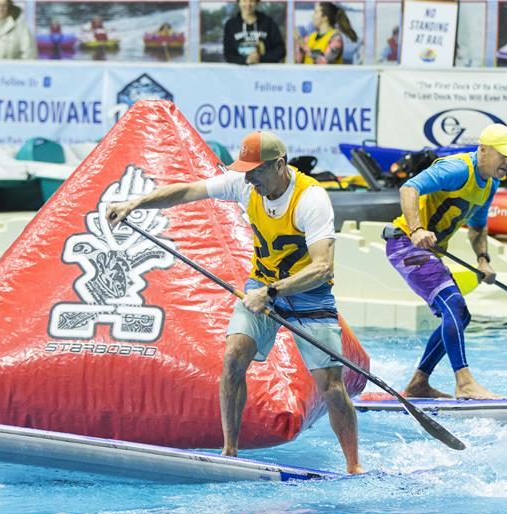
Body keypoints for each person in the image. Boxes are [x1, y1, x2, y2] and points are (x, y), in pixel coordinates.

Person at [106, 131, 363, 474]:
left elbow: (322, 267)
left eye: (255, 170)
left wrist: (272, 293)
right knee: (232, 358)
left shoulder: (311, 200)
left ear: (279, 165)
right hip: (261, 284)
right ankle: (230, 453)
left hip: (308, 294)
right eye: (245, 170)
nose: (249, 178)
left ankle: (354, 466)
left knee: (331, 386)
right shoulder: (245, 185)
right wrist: (134, 204)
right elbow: (186, 191)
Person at [382, 124, 507, 401]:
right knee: (454, 305)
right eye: (503, 154)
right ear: (483, 150)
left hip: (429, 251)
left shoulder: (490, 184)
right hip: (405, 243)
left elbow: (478, 227)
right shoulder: (457, 169)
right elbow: (409, 188)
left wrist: (483, 260)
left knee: (461, 316)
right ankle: (464, 382)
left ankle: (418, 384)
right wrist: (416, 229)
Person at [223, 0, 286, 65]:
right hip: (240, 73)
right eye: (244, 1)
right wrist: (245, 60)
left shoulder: (268, 23)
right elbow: (228, 54)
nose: (248, 4)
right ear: (239, 2)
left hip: (266, 72)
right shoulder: (231, 25)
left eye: (252, 1)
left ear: (257, 2)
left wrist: (260, 59)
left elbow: (280, 50)